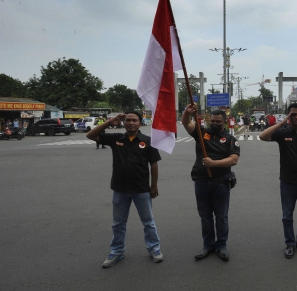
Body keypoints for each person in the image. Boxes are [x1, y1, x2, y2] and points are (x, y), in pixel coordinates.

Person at [86, 111, 164, 268]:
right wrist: (109, 122)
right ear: (124, 123)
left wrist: (153, 185)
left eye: (134, 120)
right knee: (118, 223)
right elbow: (90, 135)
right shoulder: (116, 139)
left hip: (141, 189)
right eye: (128, 120)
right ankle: (117, 251)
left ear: (140, 123)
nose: (131, 122)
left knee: (148, 222)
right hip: (120, 189)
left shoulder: (148, 141)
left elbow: (154, 164)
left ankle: (154, 249)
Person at [260, 103, 297, 259]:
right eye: (293, 114)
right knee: (287, 215)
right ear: (289, 116)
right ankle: (290, 243)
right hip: (288, 182)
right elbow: (263, 136)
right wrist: (281, 123)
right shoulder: (283, 133)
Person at [182, 104, 240, 262]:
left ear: (224, 122)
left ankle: (221, 246)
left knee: (221, 217)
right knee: (205, 217)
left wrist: (213, 163)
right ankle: (208, 245)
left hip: (221, 182)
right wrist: (187, 113)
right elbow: (187, 124)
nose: (214, 124)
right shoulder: (202, 134)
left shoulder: (230, 139)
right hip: (201, 182)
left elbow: (234, 159)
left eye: (218, 122)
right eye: (212, 121)